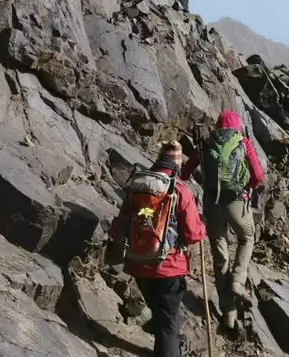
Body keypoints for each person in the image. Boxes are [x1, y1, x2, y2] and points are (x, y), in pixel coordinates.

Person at [110, 141, 206, 357]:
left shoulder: (138, 185)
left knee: (162, 313)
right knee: (168, 329)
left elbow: (122, 221)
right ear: (178, 163)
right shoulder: (179, 191)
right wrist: (202, 229)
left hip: (138, 262)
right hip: (167, 268)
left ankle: (162, 334)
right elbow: (192, 234)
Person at [180, 111, 264, 331]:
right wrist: (247, 188)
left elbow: (185, 173)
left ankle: (228, 313)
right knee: (247, 238)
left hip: (212, 205)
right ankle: (238, 280)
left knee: (220, 257)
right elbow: (257, 176)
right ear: (236, 126)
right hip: (237, 202)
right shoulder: (243, 142)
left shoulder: (206, 143)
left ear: (218, 125)